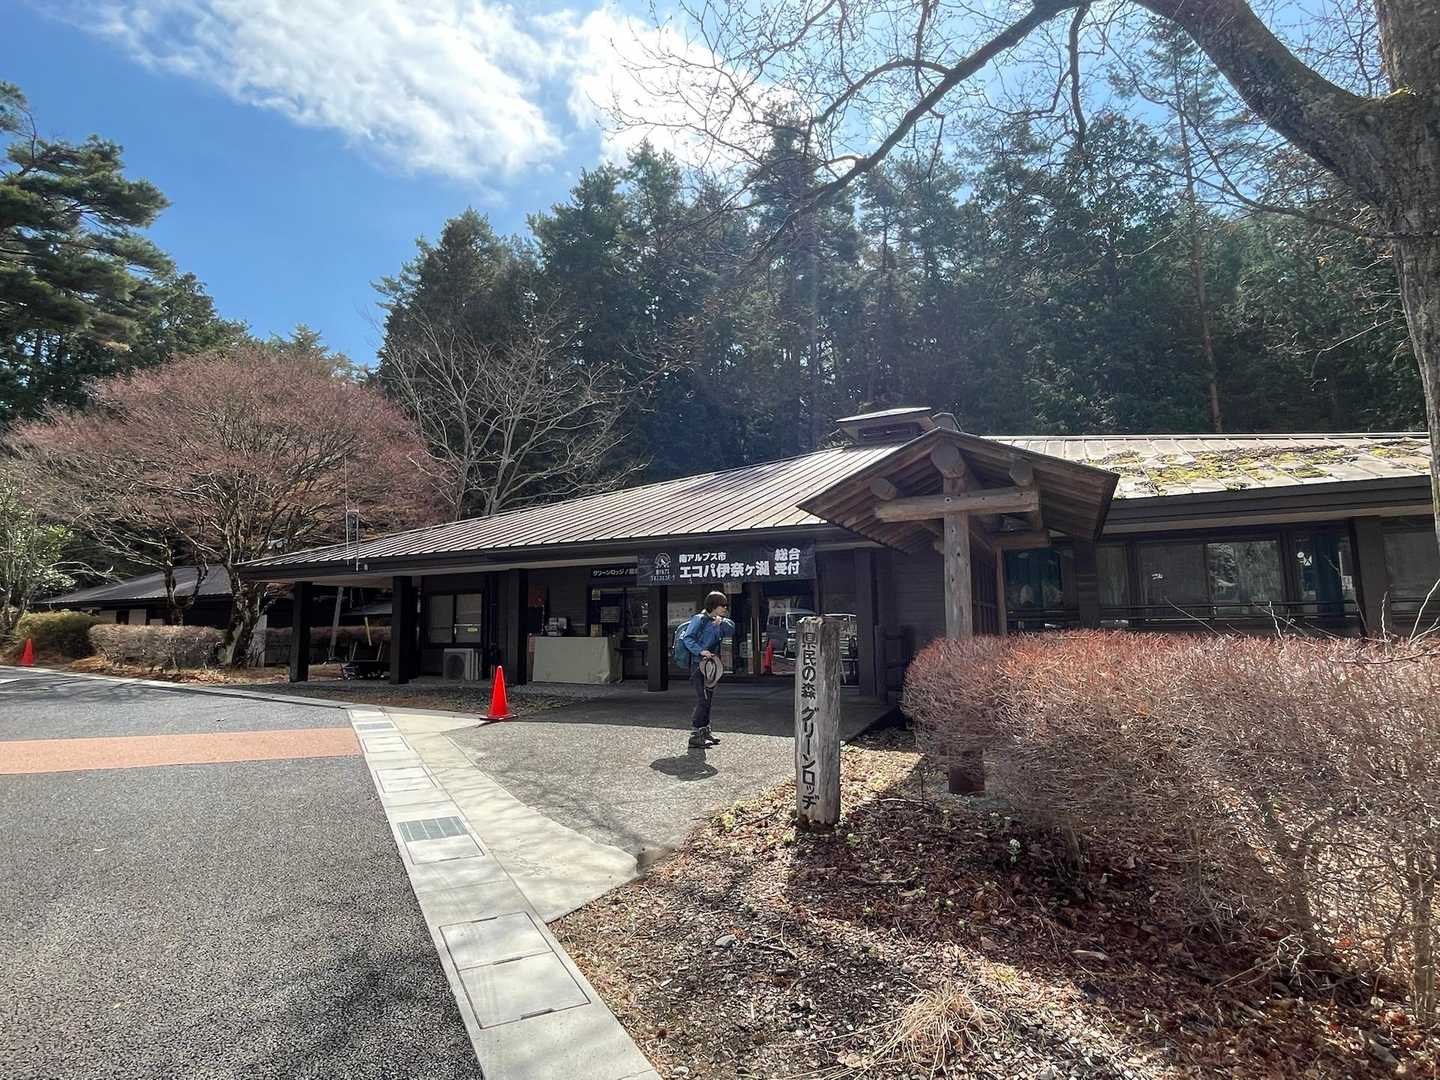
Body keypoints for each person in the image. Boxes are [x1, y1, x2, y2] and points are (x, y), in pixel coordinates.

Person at [680, 591, 735, 749]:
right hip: (699, 665)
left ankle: (704, 731)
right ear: (713, 605)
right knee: (703, 700)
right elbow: (688, 638)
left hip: (711, 665)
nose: (725, 608)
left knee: (708, 699)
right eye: (722, 605)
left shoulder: (718, 620)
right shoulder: (699, 619)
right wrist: (701, 651)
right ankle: (695, 735)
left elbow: (731, 630)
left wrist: (721, 622)